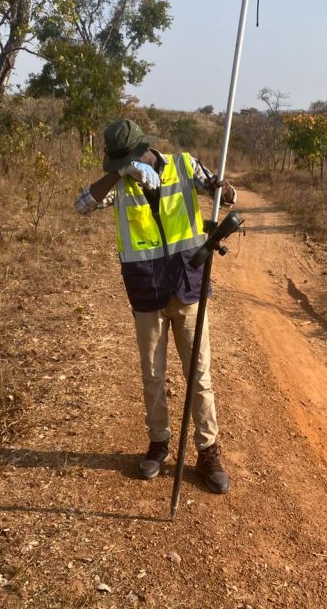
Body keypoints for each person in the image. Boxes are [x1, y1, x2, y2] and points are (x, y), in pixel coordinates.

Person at [74, 118, 236, 494]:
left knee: (199, 374)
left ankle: (208, 450)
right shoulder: (122, 183)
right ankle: (159, 442)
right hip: (146, 289)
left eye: (127, 159)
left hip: (188, 284)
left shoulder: (184, 165)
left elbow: (225, 194)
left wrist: (224, 192)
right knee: (152, 374)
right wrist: (120, 174)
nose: (125, 167)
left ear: (144, 148)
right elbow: (81, 204)